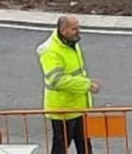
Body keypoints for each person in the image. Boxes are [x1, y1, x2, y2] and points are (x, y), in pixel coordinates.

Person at [36, 15, 101, 154]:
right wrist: (87, 85)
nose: (78, 31)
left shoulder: (71, 43)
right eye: (74, 29)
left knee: (85, 146)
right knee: (60, 148)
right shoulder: (51, 51)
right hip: (63, 110)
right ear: (63, 30)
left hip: (78, 106)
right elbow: (57, 80)